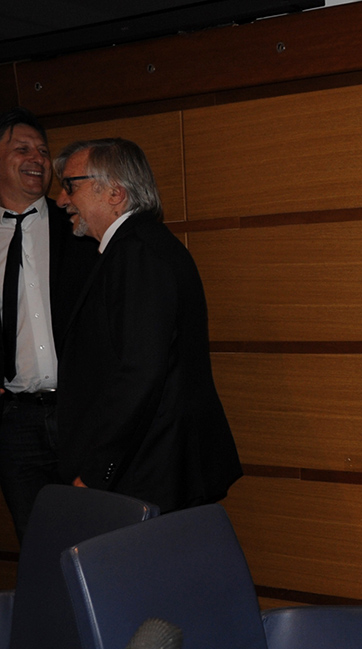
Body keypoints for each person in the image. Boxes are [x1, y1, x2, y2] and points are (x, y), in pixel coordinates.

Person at [53, 137, 241, 512]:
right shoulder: (140, 246)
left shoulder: (137, 253)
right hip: (157, 464)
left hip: (150, 469)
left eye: (71, 185)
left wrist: (95, 472)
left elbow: (140, 372)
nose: (61, 199)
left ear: (115, 193)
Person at [0, 107, 98, 541]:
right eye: (22, 149)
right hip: (15, 422)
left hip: (81, 412)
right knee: (39, 545)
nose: (37, 158)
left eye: (42, 150)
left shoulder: (78, 224)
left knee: (99, 540)